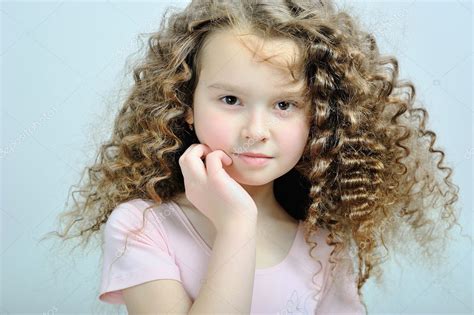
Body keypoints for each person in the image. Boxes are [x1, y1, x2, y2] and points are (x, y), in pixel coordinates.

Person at [41, 0, 467, 313]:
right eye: (230, 99)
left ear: (318, 116)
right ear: (185, 104)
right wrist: (236, 225)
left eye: (284, 105)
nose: (256, 131)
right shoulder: (141, 227)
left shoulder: (323, 246)